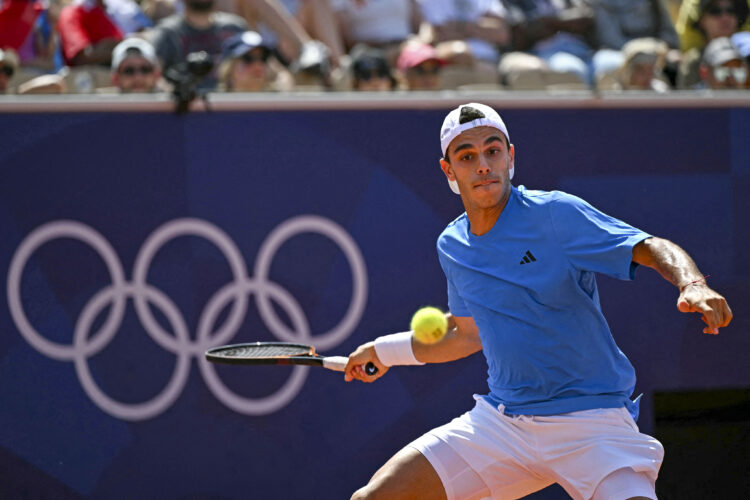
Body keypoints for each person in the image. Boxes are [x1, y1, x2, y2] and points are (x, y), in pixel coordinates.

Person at [345, 102, 733, 500]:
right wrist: (385, 351)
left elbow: (649, 247)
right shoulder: (453, 245)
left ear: (510, 157)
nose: (483, 165)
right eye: (467, 156)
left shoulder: (555, 214)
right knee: (374, 498)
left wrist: (693, 283)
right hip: (504, 424)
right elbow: (466, 334)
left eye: (493, 151)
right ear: (449, 171)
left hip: (591, 421)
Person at [146, 0, 247, 89]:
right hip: (184, 106)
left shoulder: (235, 28)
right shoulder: (167, 33)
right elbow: (152, 75)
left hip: (231, 104)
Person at [676, 0, 749, 88]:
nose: (725, 17)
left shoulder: (747, 55)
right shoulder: (693, 62)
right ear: (701, 20)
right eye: (715, 11)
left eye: (731, 11)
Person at [217, 29, 293, 90]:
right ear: (228, 68)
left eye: (263, 58)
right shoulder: (214, 106)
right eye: (248, 58)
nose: (258, 65)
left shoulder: (278, 106)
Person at [57, 0, 123, 66]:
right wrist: (119, 50)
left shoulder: (98, 11)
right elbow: (81, 58)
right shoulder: (71, 13)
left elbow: (120, 42)